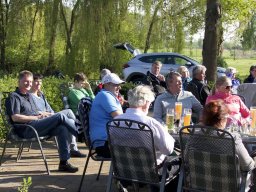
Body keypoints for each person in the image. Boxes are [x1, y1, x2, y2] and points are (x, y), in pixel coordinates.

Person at [6, 70, 78, 173]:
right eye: (26, 81)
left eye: (30, 82)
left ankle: (64, 163)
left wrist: (45, 115)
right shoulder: (14, 96)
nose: (29, 84)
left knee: (62, 129)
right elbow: (15, 117)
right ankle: (81, 134)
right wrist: (35, 118)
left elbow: (36, 112)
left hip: (36, 126)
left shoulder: (28, 96)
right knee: (60, 116)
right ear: (19, 81)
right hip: (26, 129)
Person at [115, 85, 179, 191]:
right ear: (145, 102)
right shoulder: (150, 123)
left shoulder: (115, 121)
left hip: (123, 169)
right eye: (150, 103)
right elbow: (168, 150)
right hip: (149, 171)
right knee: (177, 161)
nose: (149, 106)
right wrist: (166, 134)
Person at [30, 74, 86, 157]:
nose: (39, 83)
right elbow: (36, 112)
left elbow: (49, 109)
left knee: (69, 119)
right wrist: (50, 114)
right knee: (69, 112)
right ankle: (82, 135)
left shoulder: (41, 95)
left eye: (40, 81)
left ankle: (74, 148)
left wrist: (51, 114)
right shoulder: (29, 96)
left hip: (50, 117)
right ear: (31, 83)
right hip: (42, 121)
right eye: (36, 81)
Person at [202, 100, 255, 172]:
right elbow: (248, 166)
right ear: (222, 119)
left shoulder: (193, 136)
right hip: (228, 182)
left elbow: (186, 159)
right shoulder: (232, 139)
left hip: (198, 181)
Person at [89, 73, 124, 158]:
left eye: (119, 85)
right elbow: (120, 119)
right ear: (107, 84)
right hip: (104, 144)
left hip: (107, 142)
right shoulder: (105, 96)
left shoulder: (107, 95)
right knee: (140, 150)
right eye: (116, 84)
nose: (119, 87)